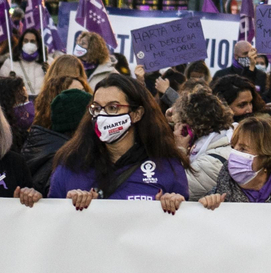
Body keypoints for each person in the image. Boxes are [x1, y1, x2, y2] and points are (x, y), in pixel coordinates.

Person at [47, 72, 189, 210]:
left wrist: (173, 206)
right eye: (97, 108)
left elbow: (182, 226)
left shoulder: (167, 167)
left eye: (113, 108)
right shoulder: (70, 165)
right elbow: (50, 220)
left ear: (136, 114)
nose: (102, 115)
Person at [196, 114, 271, 211]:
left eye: (243, 149)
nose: (234, 153)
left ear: (266, 155)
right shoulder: (218, 194)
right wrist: (206, 205)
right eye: (233, 147)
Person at [170, 89, 236, 192]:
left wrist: (179, 150)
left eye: (180, 123)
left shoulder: (211, 162)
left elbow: (175, 187)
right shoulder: (225, 139)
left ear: (188, 128)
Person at [0, 30, 47, 97]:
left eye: (32, 41)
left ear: (38, 44)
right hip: (19, 104)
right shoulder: (10, 63)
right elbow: (1, 87)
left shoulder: (47, 62)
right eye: (26, 41)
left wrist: (49, 72)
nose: (29, 44)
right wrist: (8, 81)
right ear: (21, 42)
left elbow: (56, 85)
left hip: (42, 103)